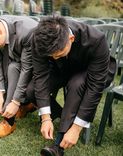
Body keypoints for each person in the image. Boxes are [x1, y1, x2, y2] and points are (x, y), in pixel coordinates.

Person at [32, 15, 116, 156]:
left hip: (97, 72)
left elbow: (95, 88)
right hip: (65, 68)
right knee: (30, 90)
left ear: (71, 39)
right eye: (51, 56)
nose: (53, 58)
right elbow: (40, 77)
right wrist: (46, 118)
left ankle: (58, 147)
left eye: (58, 54)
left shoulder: (96, 39)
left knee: (76, 83)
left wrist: (76, 128)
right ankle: (63, 115)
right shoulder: (39, 39)